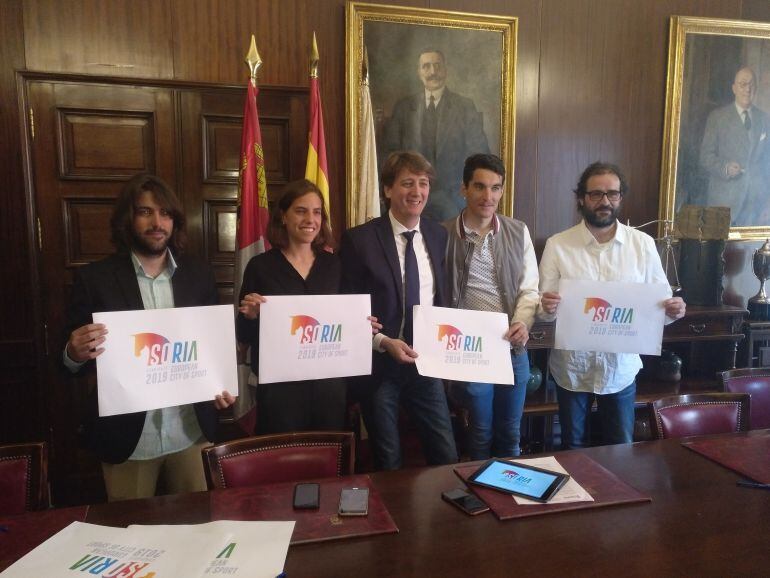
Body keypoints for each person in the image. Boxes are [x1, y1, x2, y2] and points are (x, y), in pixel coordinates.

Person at [63, 173, 235, 502]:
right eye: (145, 212)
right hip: (128, 441)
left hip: (190, 433)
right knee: (132, 542)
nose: (157, 222)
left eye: (166, 213)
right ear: (128, 218)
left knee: (196, 533)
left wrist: (221, 384)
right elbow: (70, 363)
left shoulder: (198, 275)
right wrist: (73, 352)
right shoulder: (94, 279)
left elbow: (212, 346)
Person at [538, 162, 686, 449]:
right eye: (596, 194)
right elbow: (543, 310)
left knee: (620, 451)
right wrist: (547, 306)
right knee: (572, 450)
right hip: (572, 369)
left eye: (612, 194)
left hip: (620, 368)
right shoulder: (558, 245)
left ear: (620, 197)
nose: (605, 201)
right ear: (581, 198)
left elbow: (660, 305)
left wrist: (673, 310)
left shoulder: (642, 245)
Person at [340, 151, 458, 470]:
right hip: (381, 366)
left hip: (425, 364)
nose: (416, 192)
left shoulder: (437, 235)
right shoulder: (359, 240)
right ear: (388, 190)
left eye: (423, 183)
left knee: (445, 454)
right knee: (387, 461)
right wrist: (383, 342)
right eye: (407, 183)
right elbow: (348, 310)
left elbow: (441, 299)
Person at [444, 154, 539, 459]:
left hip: (512, 347)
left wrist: (523, 322)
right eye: (480, 187)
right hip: (469, 348)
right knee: (480, 433)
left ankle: (510, 500)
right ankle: (479, 497)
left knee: (511, 433)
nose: (488, 197)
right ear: (464, 189)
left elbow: (530, 289)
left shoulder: (517, 231)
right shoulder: (441, 234)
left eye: (495, 188)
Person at [237, 179, 348, 434]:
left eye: (317, 212)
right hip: (280, 393)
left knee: (329, 465)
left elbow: (345, 321)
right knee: (281, 464)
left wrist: (363, 324)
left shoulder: (334, 266)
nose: (311, 219)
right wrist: (251, 316)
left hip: (329, 390)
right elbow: (243, 335)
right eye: (301, 210)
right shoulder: (261, 267)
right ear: (283, 217)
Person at [382, 49, 490, 222]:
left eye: (437, 66)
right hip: (411, 197)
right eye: (426, 66)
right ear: (419, 72)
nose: (432, 72)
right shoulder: (404, 107)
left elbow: (480, 154)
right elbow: (389, 153)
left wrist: (462, 189)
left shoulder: (464, 107)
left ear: (445, 70)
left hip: (453, 199)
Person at [700, 66, 770, 226]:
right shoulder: (717, 118)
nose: (747, 89)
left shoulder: (765, 119)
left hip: (755, 205)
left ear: (756, 89)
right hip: (724, 202)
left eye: (751, 85)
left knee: (752, 250)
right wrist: (725, 168)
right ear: (734, 88)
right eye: (742, 84)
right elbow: (705, 157)